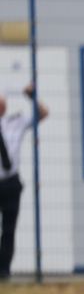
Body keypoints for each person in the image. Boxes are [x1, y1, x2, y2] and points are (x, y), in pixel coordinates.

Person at [0, 82, 48, 281]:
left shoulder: (15, 122)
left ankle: (3, 270)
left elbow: (43, 114)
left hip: (10, 182)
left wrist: (33, 97)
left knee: (9, 229)